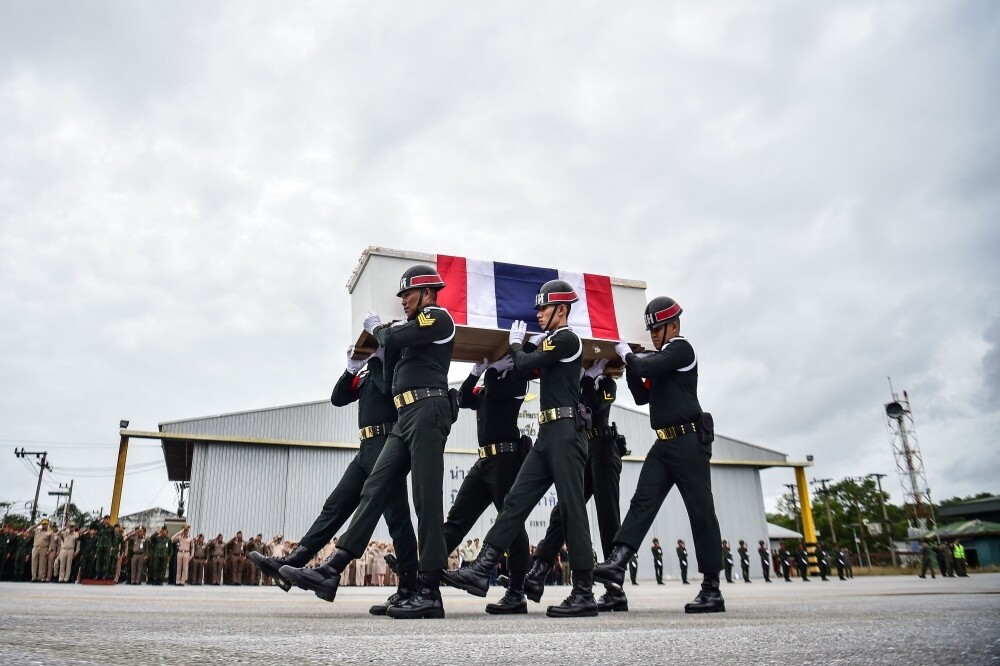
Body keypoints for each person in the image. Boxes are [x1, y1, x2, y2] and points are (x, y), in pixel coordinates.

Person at [281, 264, 456, 619]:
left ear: (426, 293)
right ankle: (332, 569)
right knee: (374, 488)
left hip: (428, 412)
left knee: (426, 501)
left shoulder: (438, 318)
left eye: (407, 294)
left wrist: (378, 329)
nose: (403, 301)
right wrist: (368, 361)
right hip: (405, 416)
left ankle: (430, 592)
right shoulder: (409, 333)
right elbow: (390, 377)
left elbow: (391, 338)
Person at [443, 279, 598, 618]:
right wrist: (521, 353)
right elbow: (533, 365)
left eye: (543, 308)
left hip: (568, 432)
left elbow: (526, 365)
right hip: (546, 433)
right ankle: (483, 568)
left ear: (562, 310)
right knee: (514, 502)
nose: (538, 314)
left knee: (572, 509)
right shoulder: (553, 343)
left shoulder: (569, 338)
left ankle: (584, 591)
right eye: (538, 309)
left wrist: (515, 347)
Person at [253, 344, 417, 612]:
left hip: (389, 445)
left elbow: (389, 389)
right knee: (335, 505)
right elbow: (338, 397)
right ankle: (294, 561)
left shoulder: (395, 368)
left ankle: (410, 587)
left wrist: (378, 359)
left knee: (397, 519)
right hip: (366, 449)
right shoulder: (368, 373)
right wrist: (352, 368)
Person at [593, 297, 726, 614]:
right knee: (642, 502)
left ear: (674, 327)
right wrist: (629, 365)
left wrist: (628, 353)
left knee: (700, 510)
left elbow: (646, 366)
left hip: (689, 441)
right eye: (651, 329)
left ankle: (712, 588)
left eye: (658, 328)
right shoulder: (661, 357)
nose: (653, 334)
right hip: (664, 443)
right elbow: (641, 395)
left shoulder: (681, 350)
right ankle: (617, 563)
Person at [517, 356, 626, 612]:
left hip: (604, 450)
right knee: (563, 511)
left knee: (607, 516)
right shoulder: (577, 383)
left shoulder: (607, 385)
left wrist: (590, 378)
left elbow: (595, 407)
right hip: (585, 449)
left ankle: (615, 589)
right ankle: (539, 570)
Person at [440, 352, 533, 614]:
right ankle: (421, 576)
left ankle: (516, 593)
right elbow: (464, 397)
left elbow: (495, 392)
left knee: (511, 526)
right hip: (484, 462)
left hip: (506, 461)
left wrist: (493, 370)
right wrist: (475, 372)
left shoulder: (517, 379)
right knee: (456, 520)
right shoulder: (489, 382)